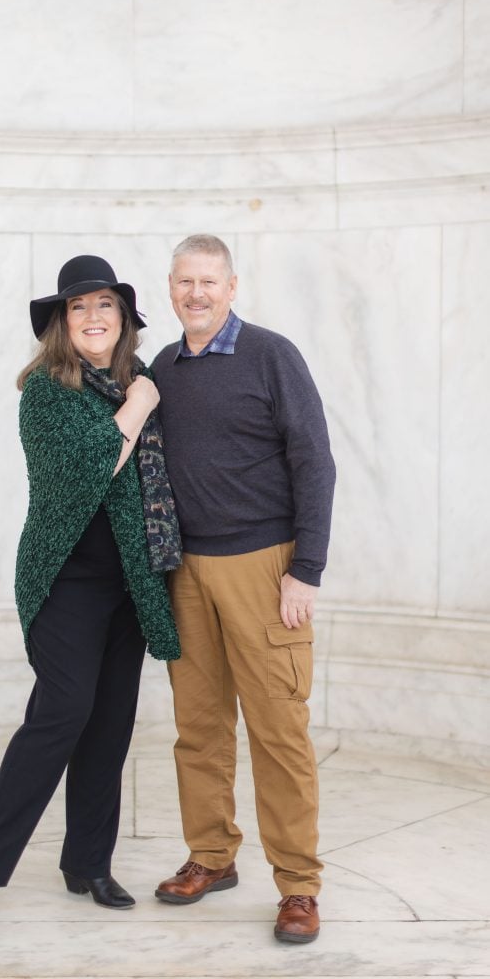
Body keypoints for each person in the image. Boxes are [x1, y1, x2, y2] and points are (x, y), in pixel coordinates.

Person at [0, 255, 181, 937]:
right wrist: (139, 401)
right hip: (64, 582)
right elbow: (88, 469)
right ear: (61, 323)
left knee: (108, 725)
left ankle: (87, 863)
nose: (92, 317)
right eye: (78, 308)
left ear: (122, 319)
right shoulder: (46, 393)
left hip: (128, 582)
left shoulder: (132, 379)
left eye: (104, 305)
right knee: (62, 713)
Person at [151, 235, 335, 944]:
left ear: (231, 286)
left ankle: (298, 884)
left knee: (277, 731)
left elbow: (313, 461)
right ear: (170, 289)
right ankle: (210, 856)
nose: (195, 293)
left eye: (208, 281)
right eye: (183, 282)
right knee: (197, 729)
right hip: (186, 573)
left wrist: (305, 570)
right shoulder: (164, 366)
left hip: (264, 567)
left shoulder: (270, 354)